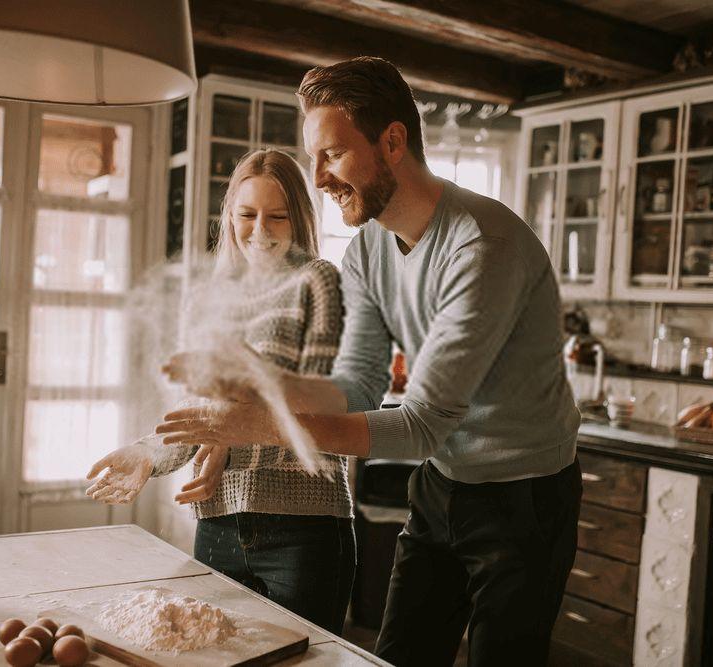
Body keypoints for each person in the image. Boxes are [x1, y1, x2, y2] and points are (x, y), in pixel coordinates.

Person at [157, 57, 582, 666]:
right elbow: (355, 385)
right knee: (400, 656)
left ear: (392, 141)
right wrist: (264, 382)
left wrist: (261, 425)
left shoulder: (481, 247)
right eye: (314, 158)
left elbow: (419, 425)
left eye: (332, 154)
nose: (319, 177)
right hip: (443, 481)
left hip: (526, 495)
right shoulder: (369, 247)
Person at [86, 149, 355, 635]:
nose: (261, 231)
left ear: (300, 219)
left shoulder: (318, 282)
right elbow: (199, 408)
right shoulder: (207, 297)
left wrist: (231, 420)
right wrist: (148, 453)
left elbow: (323, 403)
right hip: (217, 526)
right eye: (248, 215)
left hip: (303, 528)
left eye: (278, 217)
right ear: (229, 215)